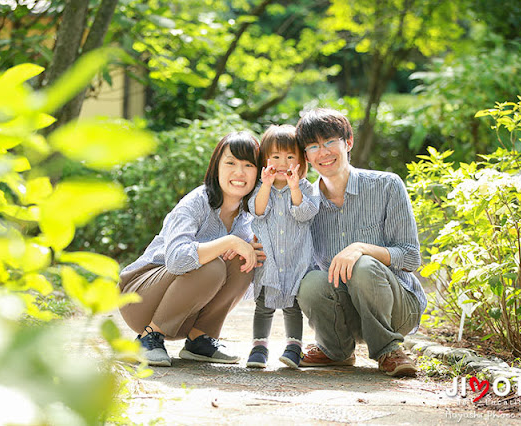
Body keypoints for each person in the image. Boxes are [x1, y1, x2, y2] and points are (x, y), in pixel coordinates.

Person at [294, 108, 427, 377]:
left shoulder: (387, 185)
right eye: (313, 146)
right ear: (306, 156)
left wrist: (361, 248)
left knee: (362, 264)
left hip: (396, 307)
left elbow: (411, 257)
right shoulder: (305, 204)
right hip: (345, 314)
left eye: (330, 142)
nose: (323, 152)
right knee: (308, 281)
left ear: (348, 142)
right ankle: (336, 351)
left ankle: (389, 349)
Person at [118, 131, 265, 367]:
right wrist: (228, 243)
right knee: (212, 264)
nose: (239, 172)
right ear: (216, 167)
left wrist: (256, 259)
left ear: (259, 173)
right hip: (140, 298)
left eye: (249, 165)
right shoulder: (196, 202)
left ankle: (200, 340)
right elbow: (177, 260)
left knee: (242, 260)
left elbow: (244, 290)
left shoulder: (249, 219)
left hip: (187, 314)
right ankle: (148, 338)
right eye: (230, 163)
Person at [245, 125, 319, 369]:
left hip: (297, 260)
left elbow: (305, 213)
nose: (282, 163)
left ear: (300, 161)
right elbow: (258, 211)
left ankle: (294, 346)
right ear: (265, 159)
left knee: (293, 306)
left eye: (290, 157)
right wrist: (265, 185)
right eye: (275, 157)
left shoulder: (306, 187)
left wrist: (295, 187)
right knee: (264, 305)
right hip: (270, 261)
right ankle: (259, 346)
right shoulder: (259, 189)